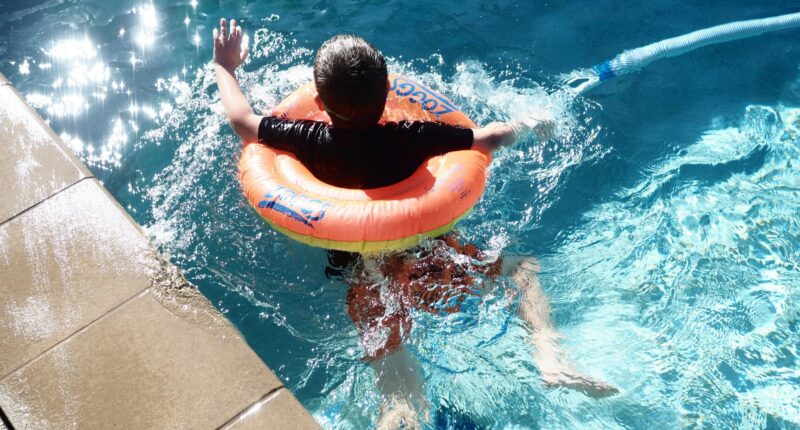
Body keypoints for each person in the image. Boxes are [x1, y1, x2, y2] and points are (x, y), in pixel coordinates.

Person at [213, 18, 616, 428]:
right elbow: (488, 138)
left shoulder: (305, 138)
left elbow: (243, 121)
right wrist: (530, 126)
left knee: (396, 385)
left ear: (317, 101)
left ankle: (397, 418)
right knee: (523, 270)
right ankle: (550, 358)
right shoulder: (411, 136)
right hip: (433, 255)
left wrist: (226, 68)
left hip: (361, 269)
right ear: (388, 91)